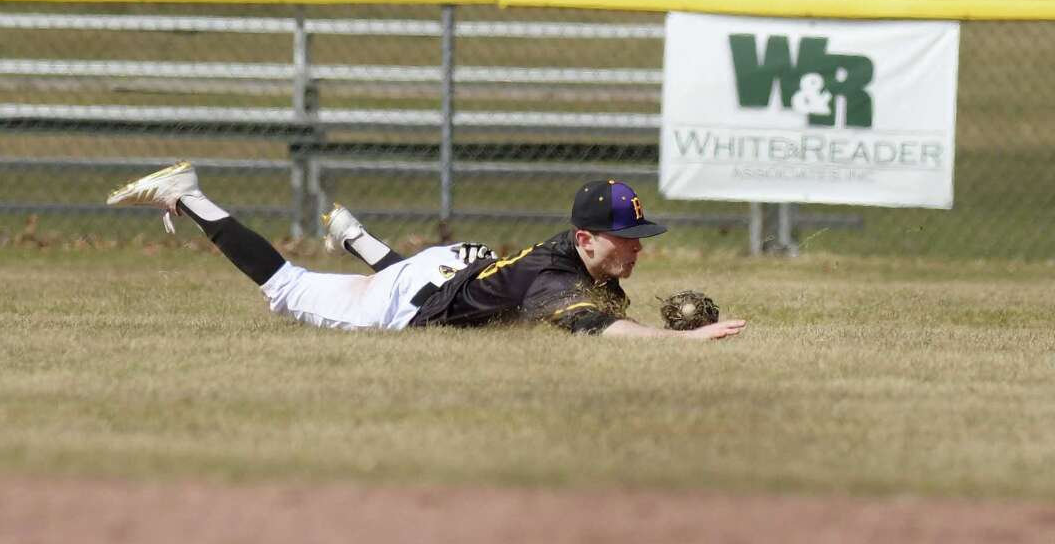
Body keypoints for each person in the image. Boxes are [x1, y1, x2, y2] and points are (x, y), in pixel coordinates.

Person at [106, 162, 746, 339]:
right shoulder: (553, 280)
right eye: (626, 240)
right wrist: (679, 343)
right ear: (584, 239)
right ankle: (189, 196)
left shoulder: (577, 259)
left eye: (638, 240)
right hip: (423, 290)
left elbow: (606, 315)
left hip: (457, 264)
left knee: (409, 273)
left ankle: (352, 234)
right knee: (288, 287)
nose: (635, 251)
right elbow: (597, 332)